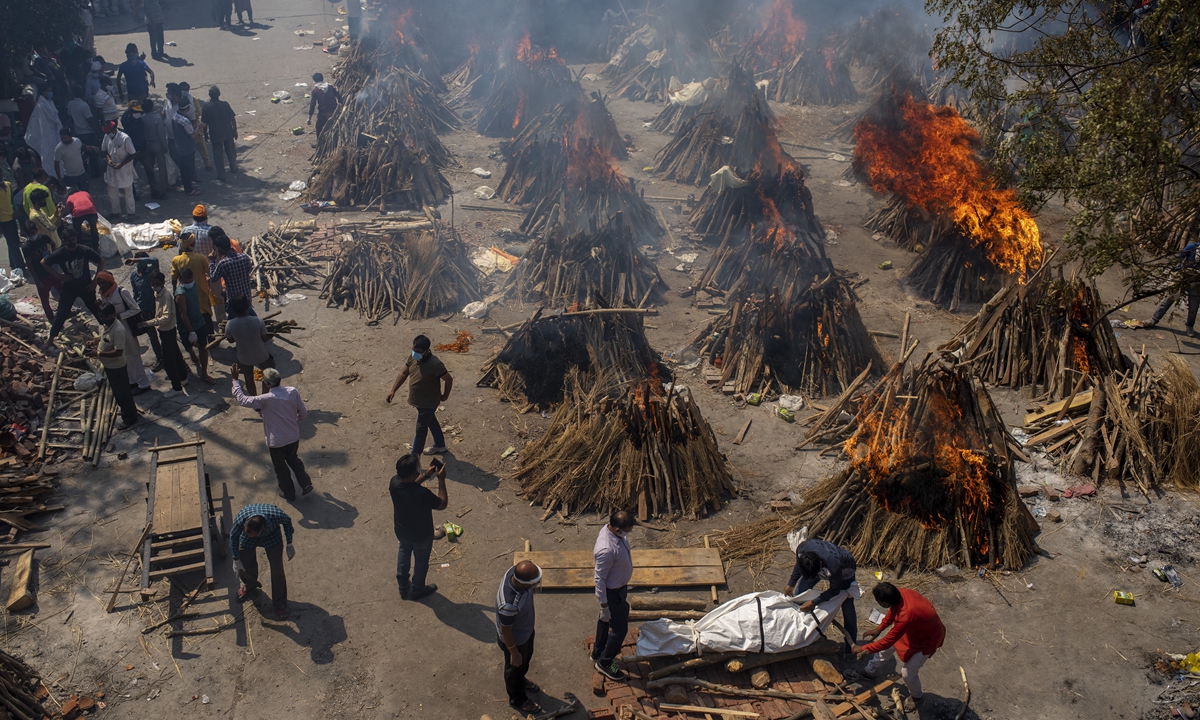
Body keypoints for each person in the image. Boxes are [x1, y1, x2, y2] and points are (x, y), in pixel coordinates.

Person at [852, 583, 946, 714]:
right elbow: (892, 611)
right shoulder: (899, 593)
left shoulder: (906, 615)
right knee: (886, 650)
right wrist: (879, 628)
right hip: (914, 630)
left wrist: (863, 648)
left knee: (908, 673)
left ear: (884, 603)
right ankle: (870, 672)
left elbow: (887, 641)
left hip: (928, 639)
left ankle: (917, 696)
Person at [232, 365, 312, 501]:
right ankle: (306, 483)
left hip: (277, 442)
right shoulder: (292, 391)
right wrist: (293, 421)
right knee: (293, 459)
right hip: (293, 436)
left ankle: (289, 494)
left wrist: (235, 381)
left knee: (281, 469)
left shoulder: (265, 400)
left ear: (267, 383)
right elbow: (303, 413)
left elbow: (242, 400)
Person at [388, 454, 447, 601]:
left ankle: (402, 585)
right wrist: (441, 479)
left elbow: (410, 486)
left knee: (404, 552)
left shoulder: (394, 483)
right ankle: (417, 590)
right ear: (414, 474)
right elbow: (442, 504)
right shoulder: (422, 494)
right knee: (421, 562)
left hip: (402, 530)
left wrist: (426, 475)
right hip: (421, 534)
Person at [386, 335, 452, 456]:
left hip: (428, 402)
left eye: (418, 352)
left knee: (420, 430)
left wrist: (445, 395)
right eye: (413, 350)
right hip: (419, 401)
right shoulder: (413, 357)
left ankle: (414, 458)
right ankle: (440, 445)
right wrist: (393, 390)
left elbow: (448, 379)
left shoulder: (435, 364)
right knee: (431, 420)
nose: (414, 353)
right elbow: (403, 372)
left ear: (427, 351)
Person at [785, 539, 859, 643]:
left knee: (847, 606)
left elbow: (834, 591)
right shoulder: (802, 549)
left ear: (820, 567)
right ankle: (797, 630)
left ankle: (850, 644)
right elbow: (799, 564)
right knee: (800, 593)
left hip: (845, 572)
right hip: (821, 566)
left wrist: (814, 602)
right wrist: (791, 583)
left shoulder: (834, 566)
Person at [230, 503, 295, 620]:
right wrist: (236, 559)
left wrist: (289, 543)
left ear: (261, 531)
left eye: (252, 534)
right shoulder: (242, 519)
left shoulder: (277, 516)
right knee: (244, 559)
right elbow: (233, 536)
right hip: (247, 538)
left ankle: (280, 603)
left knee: (277, 570)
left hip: (272, 537)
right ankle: (250, 585)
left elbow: (288, 521)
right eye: (246, 531)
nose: (248, 535)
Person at [495, 560, 544, 715]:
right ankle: (517, 699)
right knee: (514, 669)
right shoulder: (509, 605)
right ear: (524, 584)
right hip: (514, 641)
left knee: (525, 661)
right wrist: (514, 652)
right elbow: (506, 631)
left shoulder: (513, 572)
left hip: (525, 631)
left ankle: (521, 679)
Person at [592, 509, 635, 681]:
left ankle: (598, 651)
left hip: (618, 590)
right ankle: (605, 662)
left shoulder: (614, 533)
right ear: (617, 530)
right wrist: (604, 605)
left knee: (605, 620)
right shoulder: (606, 549)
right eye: (627, 530)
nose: (628, 533)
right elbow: (599, 579)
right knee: (619, 629)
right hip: (613, 594)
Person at [95, 271, 151, 393]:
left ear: (109, 282)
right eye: (99, 284)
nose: (101, 286)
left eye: (103, 283)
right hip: (114, 328)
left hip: (126, 327)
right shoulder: (103, 295)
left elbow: (135, 309)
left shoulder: (121, 292)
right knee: (123, 355)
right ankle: (131, 381)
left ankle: (143, 383)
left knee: (133, 355)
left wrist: (120, 316)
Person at [141, 270, 189, 397]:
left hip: (167, 330)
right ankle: (183, 377)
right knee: (176, 355)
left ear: (162, 282)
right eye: (153, 284)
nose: (154, 286)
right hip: (165, 330)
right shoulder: (158, 294)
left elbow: (166, 317)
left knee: (169, 361)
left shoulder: (166, 296)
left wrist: (149, 323)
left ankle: (176, 387)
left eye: (157, 283)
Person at [94, 304, 142, 429]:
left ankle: (129, 419)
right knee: (119, 392)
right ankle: (130, 412)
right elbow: (107, 339)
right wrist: (96, 341)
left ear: (113, 315)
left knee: (122, 393)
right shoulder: (108, 326)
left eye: (105, 316)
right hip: (110, 367)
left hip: (117, 367)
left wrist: (98, 353)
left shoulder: (118, 330)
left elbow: (118, 351)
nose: (103, 318)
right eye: (101, 316)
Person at [1144, 241, 1200, 338]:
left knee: (1194, 306)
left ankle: (1189, 326)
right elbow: (1179, 257)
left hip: (1196, 282)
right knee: (1169, 299)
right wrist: (1179, 268)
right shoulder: (1192, 247)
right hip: (1182, 277)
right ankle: (1154, 319)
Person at [224, 296, 273, 393]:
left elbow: (230, 340)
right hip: (261, 354)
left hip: (243, 356)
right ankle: (265, 396)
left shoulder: (230, 325)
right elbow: (264, 339)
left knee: (249, 378)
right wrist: (271, 335)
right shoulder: (258, 320)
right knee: (267, 375)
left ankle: (254, 401)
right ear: (247, 307)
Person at [173, 266, 214, 383]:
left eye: (190, 280)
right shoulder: (180, 294)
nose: (189, 283)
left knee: (202, 347)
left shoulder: (194, 286)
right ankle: (192, 355)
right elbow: (183, 315)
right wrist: (191, 331)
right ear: (181, 281)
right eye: (186, 282)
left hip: (199, 321)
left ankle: (204, 373)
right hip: (186, 326)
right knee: (188, 346)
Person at [127, 253, 164, 370]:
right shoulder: (134, 276)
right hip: (143, 310)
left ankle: (168, 355)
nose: (139, 265)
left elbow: (155, 259)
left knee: (163, 333)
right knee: (152, 336)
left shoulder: (152, 272)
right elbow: (135, 293)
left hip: (156, 308)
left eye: (140, 262)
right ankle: (160, 358)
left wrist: (136, 259)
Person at [101, 120, 138, 221]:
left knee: (128, 193)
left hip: (124, 170)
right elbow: (104, 151)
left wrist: (121, 164)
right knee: (112, 192)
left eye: (109, 132)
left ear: (114, 129)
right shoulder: (107, 136)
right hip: (112, 170)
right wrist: (108, 159)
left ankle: (131, 213)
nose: (108, 134)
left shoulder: (125, 138)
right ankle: (115, 212)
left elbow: (133, 154)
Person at [168, 93, 201, 196]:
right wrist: (198, 127)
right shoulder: (185, 120)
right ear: (187, 108)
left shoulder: (175, 116)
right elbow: (192, 135)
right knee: (188, 169)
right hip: (187, 148)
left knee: (184, 169)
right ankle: (189, 189)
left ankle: (188, 186)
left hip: (179, 146)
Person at [202, 87, 238, 182]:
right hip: (227, 131)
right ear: (219, 94)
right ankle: (233, 166)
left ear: (209, 95)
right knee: (230, 150)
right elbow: (232, 119)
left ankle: (221, 174)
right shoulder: (225, 105)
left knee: (218, 154)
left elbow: (204, 123)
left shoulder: (206, 107)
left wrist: (205, 134)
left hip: (215, 134)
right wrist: (235, 130)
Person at [24, 86, 62, 177]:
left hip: (53, 131)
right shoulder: (41, 104)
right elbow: (51, 117)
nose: (50, 93)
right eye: (48, 91)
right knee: (49, 153)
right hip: (47, 132)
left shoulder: (49, 102)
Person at [21, 234, 61, 318]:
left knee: (63, 291)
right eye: (29, 232)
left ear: (36, 230)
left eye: (32, 232)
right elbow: (30, 265)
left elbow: (53, 243)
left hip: (51, 271)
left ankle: (65, 310)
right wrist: (37, 281)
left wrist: (52, 256)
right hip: (40, 276)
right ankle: (50, 317)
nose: (32, 234)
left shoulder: (43, 237)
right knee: (44, 299)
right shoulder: (26, 247)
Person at [178, 83, 212, 172]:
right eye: (183, 89)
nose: (185, 91)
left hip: (195, 127)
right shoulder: (178, 100)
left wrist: (193, 116)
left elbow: (198, 111)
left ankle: (207, 164)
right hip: (184, 130)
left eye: (186, 90)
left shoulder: (193, 99)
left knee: (202, 148)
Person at [210, 232, 252, 304]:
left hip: (234, 301)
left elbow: (213, 278)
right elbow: (249, 269)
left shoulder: (223, 263)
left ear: (220, 249)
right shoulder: (244, 257)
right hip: (247, 296)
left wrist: (212, 261)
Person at [140, 99, 168, 198]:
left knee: (150, 168)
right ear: (152, 107)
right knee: (162, 167)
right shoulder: (157, 118)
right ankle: (163, 188)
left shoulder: (142, 118)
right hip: (157, 145)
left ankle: (153, 187)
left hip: (148, 145)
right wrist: (165, 145)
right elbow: (161, 133)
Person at [308, 73, 340, 137]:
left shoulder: (315, 91)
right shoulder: (330, 87)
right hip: (333, 112)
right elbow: (339, 96)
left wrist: (309, 118)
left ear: (314, 81)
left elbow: (312, 104)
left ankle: (320, 143)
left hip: (323, 113)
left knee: (319, 127)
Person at [0, 179, 21, 274]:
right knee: (13, 244)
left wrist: (15, 209)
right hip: (3, 220)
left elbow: (12, 199)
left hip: (11, 217)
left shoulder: (8, 185)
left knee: (14, 241)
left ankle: (13, 263)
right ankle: (20, 266)